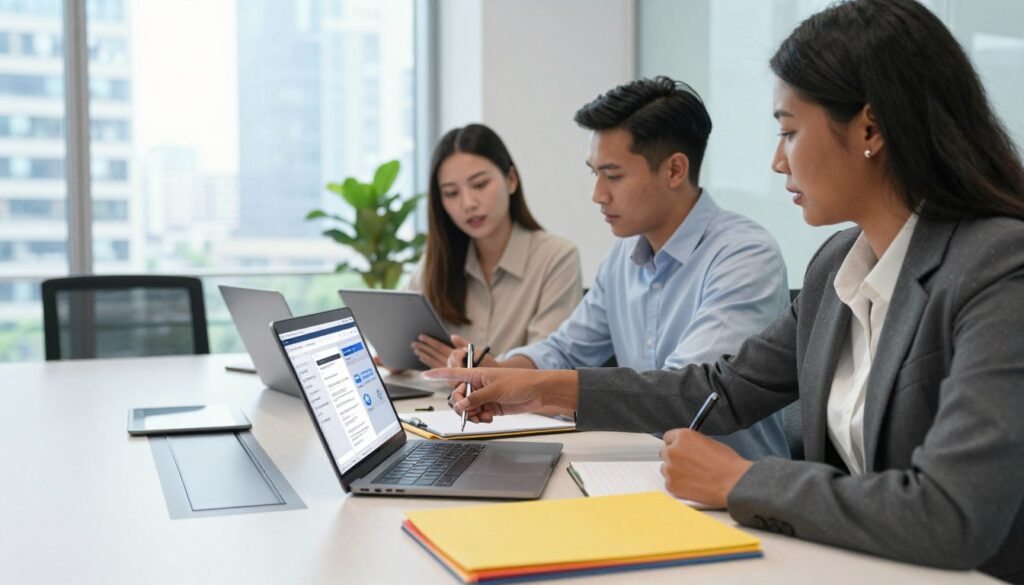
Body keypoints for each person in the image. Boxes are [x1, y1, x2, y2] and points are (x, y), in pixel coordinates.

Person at [427, 0, 1024, 581]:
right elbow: (721, 388)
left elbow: (952, 514)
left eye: (788, 132)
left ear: (870, 127)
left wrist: (740, 481)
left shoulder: (998, 265)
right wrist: (538, 388)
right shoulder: (836, 266)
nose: (776, 162)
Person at [447, 77, 791, 460]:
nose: (598, 195)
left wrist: (534, 388)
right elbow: (565, 349)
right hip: (640, 471)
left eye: (613, 176)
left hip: (732, 496)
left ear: (675, 170)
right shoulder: (623, 256)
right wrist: (506, 372)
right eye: (594, 174)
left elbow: (688, 397)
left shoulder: (743, 255)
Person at [404, 123, 583, 368]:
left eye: (479, 185)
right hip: (437, 405)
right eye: (451, 193)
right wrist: (401, 360)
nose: (468, 203)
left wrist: (477, 373)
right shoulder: (436, 263)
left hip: (518, 407)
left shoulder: (556, 257)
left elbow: (551, 366)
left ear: (511, 180)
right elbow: (407, 344)